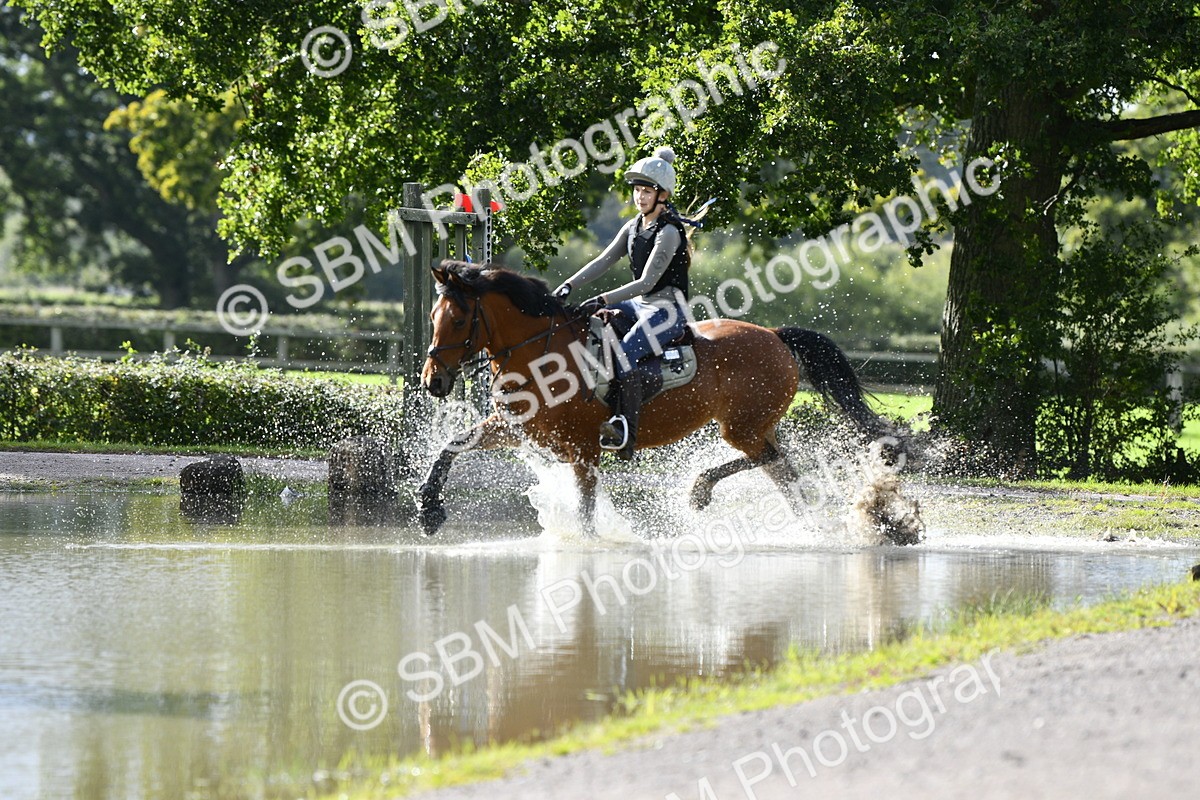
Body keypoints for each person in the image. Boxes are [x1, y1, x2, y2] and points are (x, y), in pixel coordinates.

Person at [553, 146, 693, 460]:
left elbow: (646, 283)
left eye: (647, 191)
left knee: (625, 353)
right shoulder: (632, 227)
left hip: (668, 311)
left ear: (663, 195)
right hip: (640, 306)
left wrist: (603, 298)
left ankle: (624, 430)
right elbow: (603, 261)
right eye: (637, 190)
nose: (640, 197)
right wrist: (568, 285)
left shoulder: (669, 232)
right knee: (591, 329)